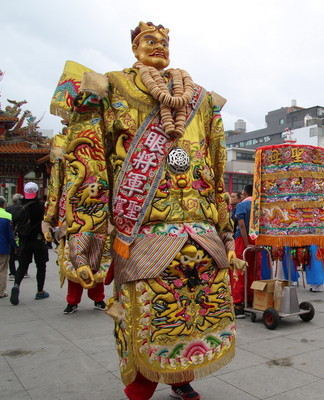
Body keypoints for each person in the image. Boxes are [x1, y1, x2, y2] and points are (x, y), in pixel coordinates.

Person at [54, 22, 237, 400]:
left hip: (200, 233)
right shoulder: (112, 87)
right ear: (134, 48)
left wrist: (227, 232)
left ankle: (182, 376)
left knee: (196, 313)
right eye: (148, 41)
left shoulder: (200, 99)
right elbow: (89, 166)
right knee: (145, 317)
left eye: (164, 42)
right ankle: (142, 384)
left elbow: (216, 169)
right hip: (141, 233)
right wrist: (89, 240)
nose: (158, 47)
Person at [42, 132, 108, 315]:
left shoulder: (105, 138)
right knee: (74, 257)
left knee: (99, 256)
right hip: (72, 211)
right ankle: (72, 300)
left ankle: (98, 297)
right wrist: (49, 218)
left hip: (101, 208)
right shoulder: (62, 143)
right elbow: (56, 182)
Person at [10, 182, 50, 305]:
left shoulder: (18, 206)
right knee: (41, 266)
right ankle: (40, 291)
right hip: (38, 239)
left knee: (22, 266)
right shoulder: (41, 206)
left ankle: (16, 285)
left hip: (24, 240)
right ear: (36, 192)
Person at [232, 184, 258, 318]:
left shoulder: (242, 205)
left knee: (239, 271)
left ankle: (238, 305)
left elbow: (241, 224)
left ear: (246, 194)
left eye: (242, 194)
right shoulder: (259, 204)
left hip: (243, 240)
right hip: (256, 239)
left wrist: (246, 243)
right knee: (253, 270)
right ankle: (252, 299)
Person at [0, 196, 17, 298]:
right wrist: (15, 245)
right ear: (3, 204)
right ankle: (1, 292)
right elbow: (10, 234)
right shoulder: (8, 216)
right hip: (3, 246)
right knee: (2, 269)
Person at [6, 194, 25, 280]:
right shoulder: (25, 208)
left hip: (12, 232)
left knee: (11, 255)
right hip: (22, 233)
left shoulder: (8, 209)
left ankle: (12, 272)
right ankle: (24, 271)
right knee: (23, 252)